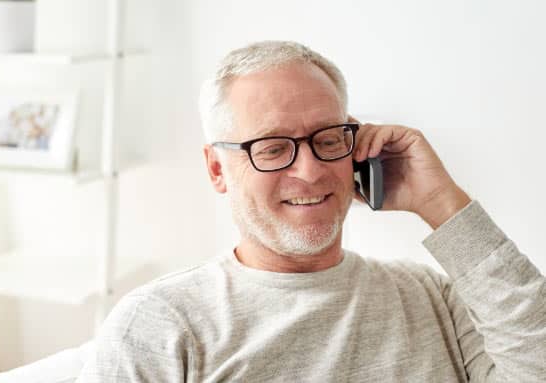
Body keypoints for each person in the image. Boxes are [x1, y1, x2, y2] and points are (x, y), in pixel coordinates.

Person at [77, 41, 545, 382]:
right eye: (273, 147)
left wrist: (442, 203)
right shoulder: (163, 324)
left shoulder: (430, 296)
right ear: (217, 169)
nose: (310, 171)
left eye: (327, 140)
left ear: (357, 147)